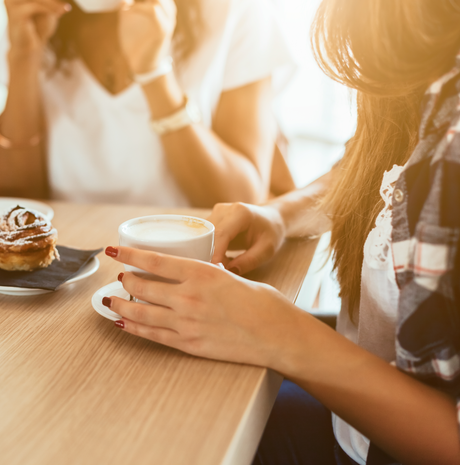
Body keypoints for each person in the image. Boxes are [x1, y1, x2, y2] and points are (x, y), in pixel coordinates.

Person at [100, 0, 460, 463]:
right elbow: (380, 165)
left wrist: (280, 332)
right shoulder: (427, 83)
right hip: (351, 427)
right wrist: (282, 213)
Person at [0, 0, 295, 207]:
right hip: (63, 269)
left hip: (191, 270)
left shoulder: (236, 13)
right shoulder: (41, 15)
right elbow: (15, 203)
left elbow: (242, 204)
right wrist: (23, 58)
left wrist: (154, 73)